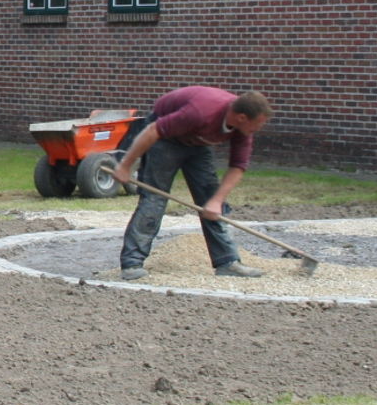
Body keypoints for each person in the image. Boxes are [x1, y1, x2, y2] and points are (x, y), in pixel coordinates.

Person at [111, 87, 273, 280]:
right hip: (165, 139)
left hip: (198, 143)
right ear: (242, 117)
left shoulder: (242, 129)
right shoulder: (200, 112)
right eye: (257, 125)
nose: (258, 130)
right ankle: (132, 264)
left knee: (212, 201)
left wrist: (216, 200)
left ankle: (227, 262)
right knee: (155, 198)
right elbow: (152, 131)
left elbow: (238, 166)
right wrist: (125, 166)